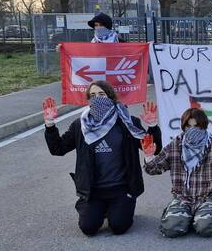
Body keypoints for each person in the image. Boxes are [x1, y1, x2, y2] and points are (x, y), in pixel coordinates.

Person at [43, 81, 162, 236]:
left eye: (101, 94)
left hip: (121, 187)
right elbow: (57, 149)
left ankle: (123, 206)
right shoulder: (81, 125)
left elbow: (153, 148)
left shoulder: (128, 122)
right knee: (88, 228)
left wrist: (153, 125)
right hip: (93, 190)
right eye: (92, 95)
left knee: (119, 226)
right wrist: (50, 124)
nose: (97, 98)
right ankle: (92, 207)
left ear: (111, 97)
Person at [143, 108, 212, 238]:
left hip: (209, 197)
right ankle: (184, 217)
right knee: (170, 230)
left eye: (197, 126)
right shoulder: (176, 144)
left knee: (205, 229)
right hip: (183, 198)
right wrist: (148, 157)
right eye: (189, 126)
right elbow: (153, 169)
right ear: (184, 126)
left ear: (204, 126)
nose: (192, 129)